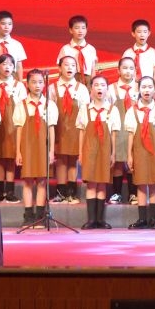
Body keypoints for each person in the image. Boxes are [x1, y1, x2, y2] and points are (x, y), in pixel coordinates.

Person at [14, 69, 57, 227]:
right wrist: (18, 151)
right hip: (27, 146)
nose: (37, 85)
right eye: (33, 82)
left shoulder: (49, 105)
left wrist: (51, 151)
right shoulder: (21, 105)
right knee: (27, 181)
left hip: (42, 147)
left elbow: (51, 129)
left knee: (41, 181)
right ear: (27, 84)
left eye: (40, 82)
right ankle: (28, 216)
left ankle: (40, 216)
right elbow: (19, 129)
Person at [77, 75, 120, 230]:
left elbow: (114, 133)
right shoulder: (85, 109)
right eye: (96, 85)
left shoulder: (112, 109)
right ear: (91, 89)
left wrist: (113, 153)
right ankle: (91, 220)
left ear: (107, 89)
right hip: (89, 149)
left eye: (102, 85)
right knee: (91, 184)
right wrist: (80, 153)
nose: (99, 88)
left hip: (104, 149)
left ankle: (100, 220)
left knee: (102, 182)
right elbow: (82, 132)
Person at [125, 76, 155, 229]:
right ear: (139, 89)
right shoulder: (132, 111)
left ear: (154, 89)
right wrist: (129, 155)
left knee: (153, 183)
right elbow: (131, 135)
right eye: (143, 87)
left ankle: (153, 219)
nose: (147, 90)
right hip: (139, 150)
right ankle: (142, 219)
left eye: (150, 87)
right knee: (141, 183)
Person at [0, 54, 26, 203]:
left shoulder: (19, 86)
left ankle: (9, 191)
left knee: (10, 158)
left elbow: (23, 107)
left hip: (13, 127)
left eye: (10, 64)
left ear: (14, 67)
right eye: (4, 64)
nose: (7, 67)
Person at [50, 56, 89, 203]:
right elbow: (49, 109)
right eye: (66, 65)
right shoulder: (52, 88)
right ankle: (60, 192)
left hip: (75, 129)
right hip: (59, 128)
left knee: (73, 159)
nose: (70, 68)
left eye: (73, 65)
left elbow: (85, 111)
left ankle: (71, 192)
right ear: (59, 68)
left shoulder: (82, 88)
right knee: (61, 160)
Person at [110, 57, 139, 204]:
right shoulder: (111, 88)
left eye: (131, 68)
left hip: (135, 129)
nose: (128, 71)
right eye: (125, 68)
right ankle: (117, 193)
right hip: (118, 129)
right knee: (118, 162)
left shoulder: (140, 87)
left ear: (135, 70)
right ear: (118, 70)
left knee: (133, 162)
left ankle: (133, 193)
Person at [57, 15, 99, 85]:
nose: (80, 31)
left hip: (87, 80)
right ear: (71, 30)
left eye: (83, 28)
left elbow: (93, 70)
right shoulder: (65, 49)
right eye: (77, 28)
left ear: (86, 30)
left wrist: (93, 84)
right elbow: (61, 70)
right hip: (71, 80)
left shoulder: (91, 49)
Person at [124, 19, 155, 88]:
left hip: (147, 87)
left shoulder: (152, 52)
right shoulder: (128, 53)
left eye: (145, 32)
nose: (142, 35)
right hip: (131, 87)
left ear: (149, 33)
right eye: (139, 32)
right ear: (133, 33)